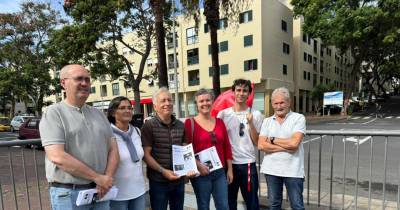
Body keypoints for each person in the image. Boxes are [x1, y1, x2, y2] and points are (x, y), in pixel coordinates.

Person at [39, 64, 119, 210]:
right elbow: (57, 156)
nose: (84, 83)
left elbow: (113, 149)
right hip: (69, 194)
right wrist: (98, 177)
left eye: (87, 80)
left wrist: (105, 179)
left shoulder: (99, 114)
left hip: (100, 191)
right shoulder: (53, 113)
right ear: (63, 83)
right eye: (79, 79)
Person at [141, 87, 195, 210]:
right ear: (155, 106)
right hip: (159, 181)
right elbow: (146, 155)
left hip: (178, 180)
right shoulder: (149, 126)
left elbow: (185, 151)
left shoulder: (181, 125)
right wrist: (163, 171)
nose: (167, 103)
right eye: (163, 101)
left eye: (169, 100)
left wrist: (189, 169)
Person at [217, 79, 264, 210]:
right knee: (229, 201)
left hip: (248, 164)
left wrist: (251, 124)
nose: (241, 93)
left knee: (252, 202)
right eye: (238, 90)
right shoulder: (224, 114)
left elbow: (256, 142)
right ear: (233, 92)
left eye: (245, 91)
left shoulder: (256, 114)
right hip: (229, 165)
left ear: (249, 93)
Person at [258, 87, 306, 210]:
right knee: (274, 204)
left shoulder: (298, 118)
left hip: (293, 170)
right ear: (272, 104)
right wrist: (286, 147)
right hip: (271, 170)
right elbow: (261, 145)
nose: (279, 106)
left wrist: (273, 140)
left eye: (282, 103)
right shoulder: (267, 121)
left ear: (289, 102)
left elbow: (294, 144)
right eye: (276, 103)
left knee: (297, 206)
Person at [185, 88, 233, 210]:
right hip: (201, 174)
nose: (205, 103)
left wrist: (230, 170)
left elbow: (227, 146)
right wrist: (199, 166)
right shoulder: (189, 123)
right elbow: (186, 150)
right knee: (203, 206)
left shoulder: (220, 122)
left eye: (208, 100)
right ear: (196, 104)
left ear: (212, 101)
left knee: (223, 206)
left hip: (219, 173)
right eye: (201, 101)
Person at [107, 96, 146, 210]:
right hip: (117, 194)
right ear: (113, 112)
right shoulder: (107, 133)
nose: (127, 110)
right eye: (122, 108)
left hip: (139, 191)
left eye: (130, 108)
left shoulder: (137, 131)